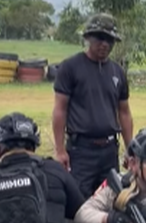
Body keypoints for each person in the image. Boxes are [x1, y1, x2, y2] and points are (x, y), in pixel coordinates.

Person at [52, 13, 134, 199]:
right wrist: (60, 150)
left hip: (109, 149)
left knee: (112, 200)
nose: (104, 44)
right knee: (79, 204)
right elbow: (60, 110)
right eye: (100, 38)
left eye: (109, 40)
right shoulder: (70, 67)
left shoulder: (117, 72)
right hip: (81, 150)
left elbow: (124, 113)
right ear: (88, 37)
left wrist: (131, 150)